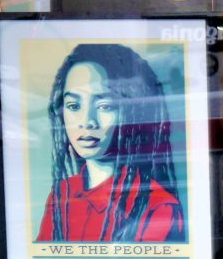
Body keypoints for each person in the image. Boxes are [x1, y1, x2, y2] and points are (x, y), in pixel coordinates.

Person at [35, 44, 184, 243]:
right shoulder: (61, 194)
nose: (87, 121)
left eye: (105, 106)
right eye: (74, 106)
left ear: (133, 113)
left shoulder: (159, 206)